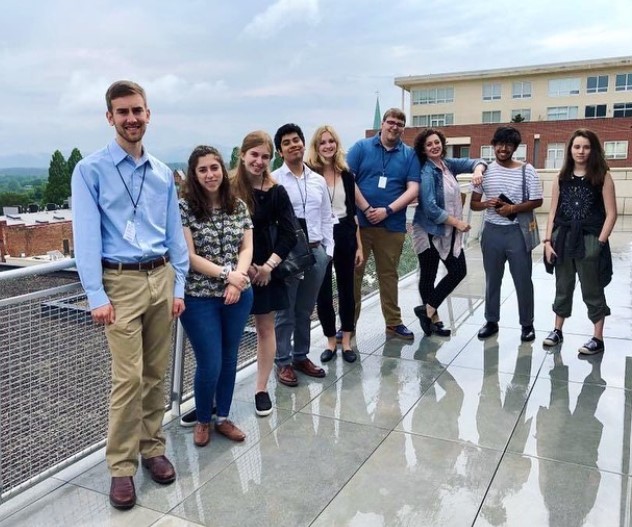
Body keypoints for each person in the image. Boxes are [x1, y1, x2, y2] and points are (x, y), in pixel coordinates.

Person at [71, 80, 189, 510]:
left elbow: (175, 235)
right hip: (118, 283)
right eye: (122, 112)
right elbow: (84, 236)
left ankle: (151, 447)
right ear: (109, 117)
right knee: (128, 378)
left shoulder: (161, 172)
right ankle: (121, 468)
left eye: (137, 110)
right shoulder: (90, 170)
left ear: (148, 114)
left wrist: (178, 285)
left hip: (160, 277)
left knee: (156, 373)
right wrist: (95, 294)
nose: (131, 118)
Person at [178, 145, 253, 447]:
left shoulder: (238, 205)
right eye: (202, 169)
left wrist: (237, 281)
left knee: (230, 357)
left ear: (223, 169)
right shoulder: (184, 207)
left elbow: (247, 248)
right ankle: (203, 420)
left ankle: (222, 416)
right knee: (210, 362)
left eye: (214, 167)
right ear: (194, 175)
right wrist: (226, 275)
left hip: (237, 295)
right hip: (199, 297)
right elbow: (188, 256)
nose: (210, 174)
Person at [232, 130, 297, 414]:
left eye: (265, 156)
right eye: (254, 155)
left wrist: (269, 266)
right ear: (242, 154)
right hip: (231, 271)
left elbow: (289, 234)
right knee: (227, 334)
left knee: (265, 329)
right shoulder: (227, 187)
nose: (259, 161)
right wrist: (237, 269)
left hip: (265, 271)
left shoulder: (275, 191)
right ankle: (214, 395)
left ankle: (261, 388)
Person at [347, 108, 420, 340]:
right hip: (359, 226)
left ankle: (393, 323)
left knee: (389, 276)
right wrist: (367, 208)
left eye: (400, 123)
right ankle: (348, 325)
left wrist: (387, 210)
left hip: (392, 226)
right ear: (383, 124)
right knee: (353, 275)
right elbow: (348, 180)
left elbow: (413, 189)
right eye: (391, 122)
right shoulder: (361, 148)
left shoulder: (409, 155)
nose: (394, 127)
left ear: (403, 128)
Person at [542, 129, 617, 354]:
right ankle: (557, 331)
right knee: (563, 285)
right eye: (577, 147)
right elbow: (552, 211)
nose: (581, 151)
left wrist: (600, 243)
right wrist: (547, 241)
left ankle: (597, 338)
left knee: (592, 288)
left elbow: (611, 214)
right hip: (562, 238)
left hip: (590, 239)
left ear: (593, 150)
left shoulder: (602, 175)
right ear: (570, 149)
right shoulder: (561, 177)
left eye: (586, 147)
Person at [272, 123, 334, 387]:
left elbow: (327, 217)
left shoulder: (318, 180)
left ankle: (301, 355)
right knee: (285, 311)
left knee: (306, 309)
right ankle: (283, 361)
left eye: (297, 140)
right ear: (280, 150)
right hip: (288, 256)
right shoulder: (274, 180)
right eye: (287, 142)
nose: (293, 145)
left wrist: (327, 252)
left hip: (317, 252)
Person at [470, 126, 543, 342]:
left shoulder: (526, 170)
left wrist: (512, 209)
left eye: (508, 145)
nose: (503, 148)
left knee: (523, 280)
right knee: (493, 279)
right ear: (493, 145)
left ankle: (527, 324)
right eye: (499, 144)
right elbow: (474, 204)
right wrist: (486, 204)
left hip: (517, 232)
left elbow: (537, 200)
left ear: (514, 147)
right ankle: (491, 321)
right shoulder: (485, 171)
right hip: (491, 232)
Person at [411, 128, 486, 337]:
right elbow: (430, 208)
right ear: (424, 150)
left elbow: (477, 161)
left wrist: (478, 171)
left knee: (458, 270)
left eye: (437, 142)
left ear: (442, 144)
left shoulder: (447, 165)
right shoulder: (427, 172)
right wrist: (458, 223)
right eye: (429, 145)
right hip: (428, 230)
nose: (434, 146)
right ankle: (432, 320)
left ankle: (426, 311)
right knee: (429, 274)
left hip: (447, 230)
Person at [306, 125, 363, 363]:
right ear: (316, 147)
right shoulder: (309, 174)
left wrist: (359, 245)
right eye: (323, 142)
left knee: (347, 289)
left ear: (337, 145)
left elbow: (353, 212)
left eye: (331, 141)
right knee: (323, 292)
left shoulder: (346, 175)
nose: (328, 146)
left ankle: (347, 340)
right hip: (321, 235)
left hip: (345, 232)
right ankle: (330, 340)